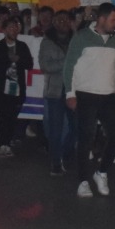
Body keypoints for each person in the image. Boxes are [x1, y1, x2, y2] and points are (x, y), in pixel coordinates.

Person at [64, 2, 115, 199]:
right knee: (86, 139)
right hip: (86, 94)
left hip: (108, 96)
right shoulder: (81, 38)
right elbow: (69, 67)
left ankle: (101, 172)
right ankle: (83, 181)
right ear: (101, 19)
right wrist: (70, 93)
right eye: (113, 19)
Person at [0, 16, 32, 157]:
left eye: (15, 27)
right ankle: (2, 144)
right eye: (10, 27)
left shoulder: (22, 46)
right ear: (4, 30)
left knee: (13, 116)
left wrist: (19, 60)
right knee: (2, 116)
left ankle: (7, 142)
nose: (13, 30)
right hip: (1, 87)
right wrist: (8, 60)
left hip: (17, 87)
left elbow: (29, 65)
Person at [37, 16, 71, 175]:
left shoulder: (76, 39)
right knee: (56, 128)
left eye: (65, 21)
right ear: (54, 23)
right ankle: (55, 161)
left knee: (73, 128)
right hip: (55, 91)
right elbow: (45, 66)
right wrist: (66, 62)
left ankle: (63, 154)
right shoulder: (47, 42)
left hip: (73, 90)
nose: (62, 23)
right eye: (59, 21)